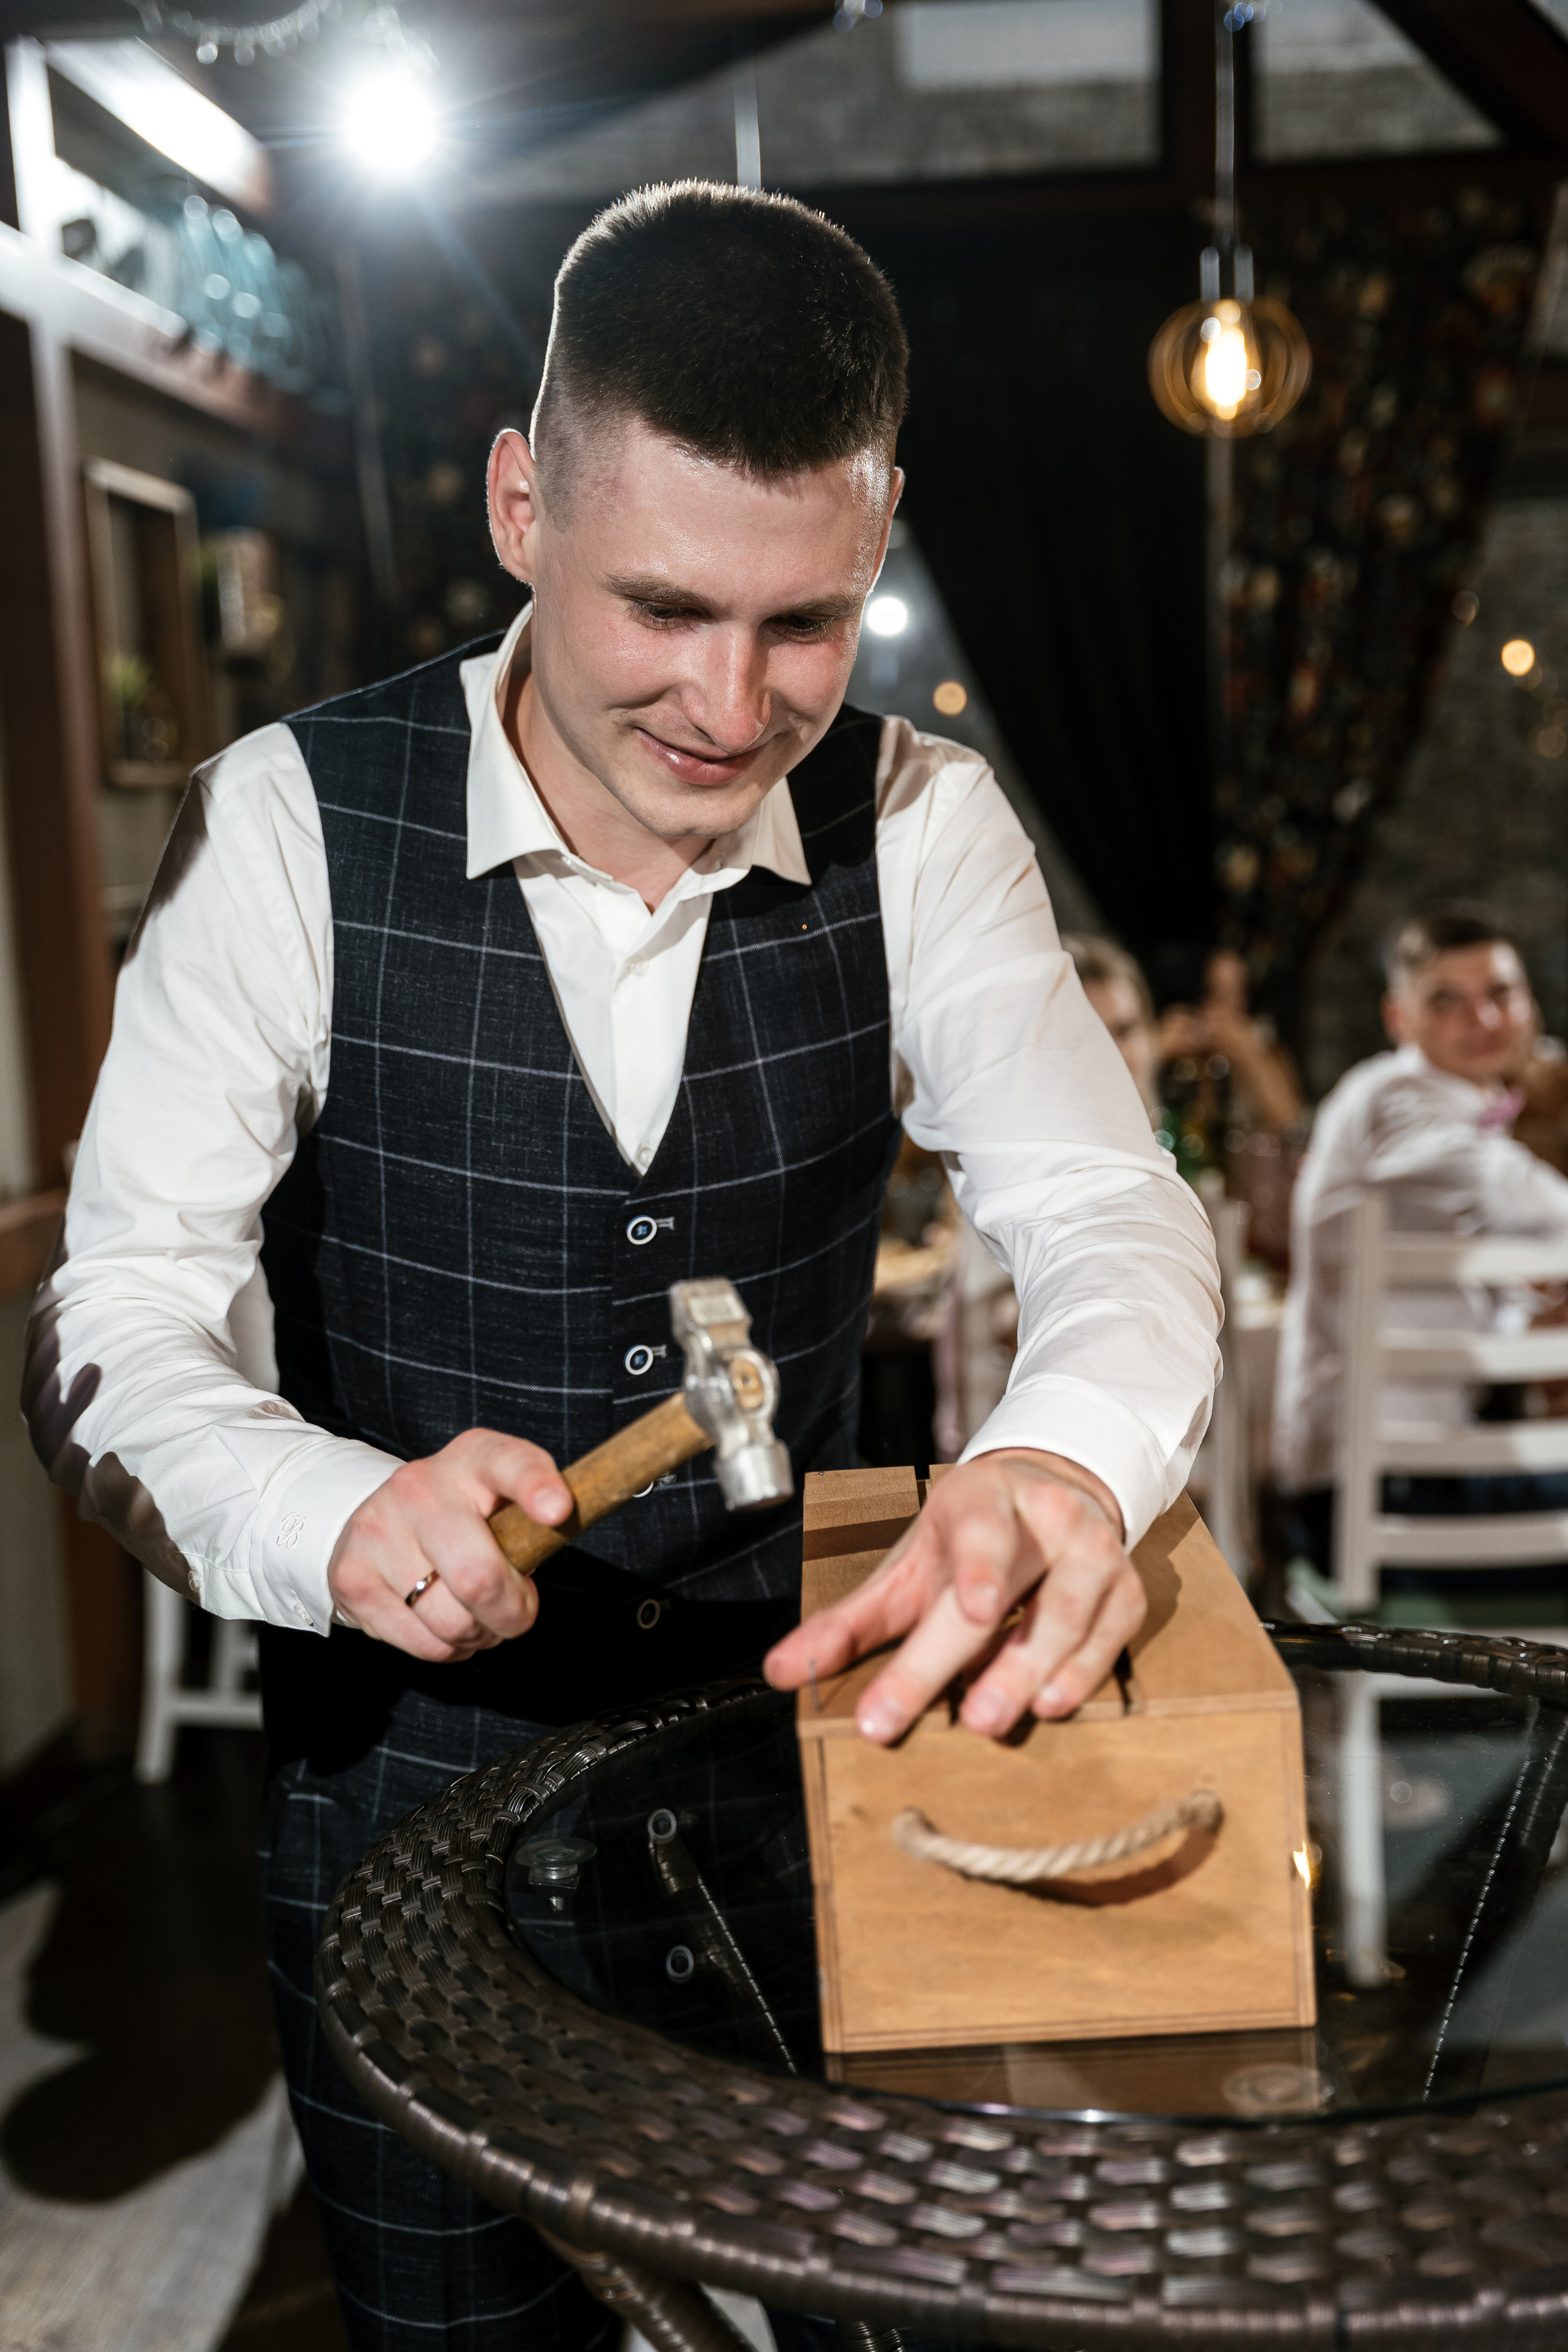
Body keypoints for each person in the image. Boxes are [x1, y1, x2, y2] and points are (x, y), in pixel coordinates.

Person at [24, 184, 1219, 2351]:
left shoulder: (922, 822)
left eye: (807, 622)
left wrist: (1063, 1462)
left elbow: (1111, 1211)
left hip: (817, 1775)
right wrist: (331, 1509)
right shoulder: (292, 823)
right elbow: (110, 1326)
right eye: (662, 605)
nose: (730, 698)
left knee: (862, 2315)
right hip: (404, 1811)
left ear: (879, 542)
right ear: (518, 503)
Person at [1272, 902, 1568, 1578]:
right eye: (1447, 1002)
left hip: (1413, 1478)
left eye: (1500, 994)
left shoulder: (1449, 1107)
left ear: (1528, 1003)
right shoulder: (1393, 1097)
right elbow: (1509, 1188)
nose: (1485, 1020)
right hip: (1373, 1497)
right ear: (1397, 1018)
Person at [937, 935, 1162, 1455]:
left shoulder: (1153, 1162)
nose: (1117, 1057)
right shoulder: (1015, 1168)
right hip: (1033, 1457)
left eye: (1127, 1031)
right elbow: (1002, 1325)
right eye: (1089, 1037)